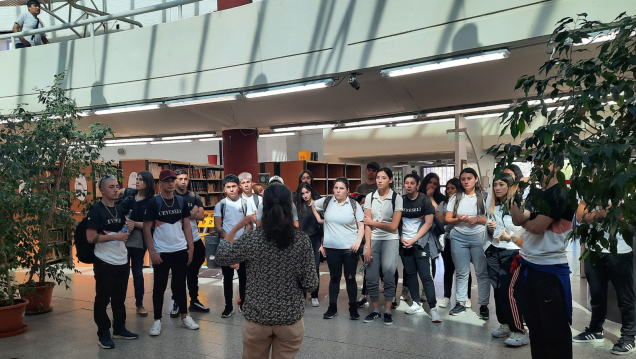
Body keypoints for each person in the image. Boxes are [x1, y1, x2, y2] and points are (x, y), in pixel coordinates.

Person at [215, 184, 319, 359]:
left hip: (257, 318)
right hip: (290, 318)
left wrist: (236, 227)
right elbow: (311, 283)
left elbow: (222, 257)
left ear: (263, 207)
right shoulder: (301, 240)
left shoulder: (253, 238)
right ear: (290, 207)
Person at [510, 160, 576, 358]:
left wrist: (529, 221)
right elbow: (516, 218)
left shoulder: (561, 194)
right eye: (536, 164)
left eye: (543, 164)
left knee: (555, 330)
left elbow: (536, 227)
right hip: (530, 265)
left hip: (550, 270)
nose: (538, 168)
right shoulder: (536, 194)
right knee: (536, 327)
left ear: (555, 166)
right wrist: (515, 191)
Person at [572, 199, 635, 355]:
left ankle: (629, 336)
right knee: (597, 293)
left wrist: (595, 214)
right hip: (593, 250)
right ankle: (596, 330)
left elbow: (624, 214)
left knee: (625, 296)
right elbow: (580, 216)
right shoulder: (590, 188)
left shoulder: (623, 187)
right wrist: (607, 211)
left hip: (619, 250)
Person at [143, 169, 199, 336]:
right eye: (166, 180)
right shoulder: (153, 202)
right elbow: (146, 229)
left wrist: (191, 248)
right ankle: (157, 320)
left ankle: (185, 316)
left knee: (180, 285)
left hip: (180, 250)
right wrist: (152, 252)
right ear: (160, 183)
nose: (170, 183)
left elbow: (187, 225)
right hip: (161, 252)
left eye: (172, 180)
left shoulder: (181, 201)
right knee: (159, 287)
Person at [86, 175, 137, 349]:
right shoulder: (96, 210)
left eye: (117, 186)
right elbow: (91, 237)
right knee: (102, 299)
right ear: (101, 190)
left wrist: (129, 227)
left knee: (119, 298)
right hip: (104, 261)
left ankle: (119, 328)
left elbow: (124, 231)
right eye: (111, 187)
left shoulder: (120, 209)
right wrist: (116, 236)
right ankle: (103, 333)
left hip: (122, 260)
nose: (116, 190)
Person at [484, 173, 528, 347]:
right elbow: (492, 233)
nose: (497, 188)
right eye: (495, 185)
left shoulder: (518, 205)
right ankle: (506, 324)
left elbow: (525, 230)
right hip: (495, 251)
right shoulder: (495, 206)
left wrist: (508, 236)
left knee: (507, 290)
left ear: (510, 186)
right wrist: (490, 228)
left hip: (513, 252)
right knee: (497, 289)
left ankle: (519, 330)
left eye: (501, 184)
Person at [314, 178, 364, 320]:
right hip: (332, 248)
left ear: (347, 190)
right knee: (334, 278)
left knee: (350, 278)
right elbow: (313, 204)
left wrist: (358, 241)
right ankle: (332, 307)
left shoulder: (353, 204)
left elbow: (361, 225)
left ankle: (353, 308)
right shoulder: (327, 202)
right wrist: (319, 219)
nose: (338, 190)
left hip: (350, 248)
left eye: (341, 188)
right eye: (336, 187)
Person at [445, 168, 491, 319]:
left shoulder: (485, 197)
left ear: (476, 179)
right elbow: (448, 219)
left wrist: (477, 219)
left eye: (469, 178)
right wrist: (459, 219)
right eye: (463, 179)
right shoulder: (455, 197)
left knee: (481, 272)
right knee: (462, 272)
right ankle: (461, 303)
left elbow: (490, 219)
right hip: (458, 237)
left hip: (479, 236)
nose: (466, 181)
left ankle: (484, 305)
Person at [362, 167, 404, 326]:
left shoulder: (397, 198)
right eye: (378, 177)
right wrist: (367, 246)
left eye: (383, 177)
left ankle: (387, 311)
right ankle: (375, 310)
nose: (379, 180)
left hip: (391, 240)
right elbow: (366, 225)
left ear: (391, 180)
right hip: (373, 239)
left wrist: (373, 223)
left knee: (388, 274)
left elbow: (394, 226)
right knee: (371, 277)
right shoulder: (370, 197)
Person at [400, 173, 441, 322]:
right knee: (410, 273)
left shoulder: (424, 200)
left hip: (421, 242)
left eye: (412, 183)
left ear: (417, 185)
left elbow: (428, 223)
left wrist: (414, 240)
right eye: (406, 183)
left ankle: (433, 308)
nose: (409, 185)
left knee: (425, 276)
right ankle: (416, 303)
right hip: (404, 243)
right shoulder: (401, 201)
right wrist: (402, 238)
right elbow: (397, 222)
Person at [214, 174, 254, 317]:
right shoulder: (220, 205)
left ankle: (243, 304)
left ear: (238, 187)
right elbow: (217, 226)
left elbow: (250, 224)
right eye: (228, 187)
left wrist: (240, 241)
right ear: (225, 189)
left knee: (244, 277)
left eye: (233, 186)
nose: (231, 189)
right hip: (227, 247)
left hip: (242, 246)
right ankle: (228, 306)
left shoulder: (245, 204)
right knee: (227, 277)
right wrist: (230, 240)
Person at [172, 169, 209, 315]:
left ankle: (194, 300)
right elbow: (174, 217)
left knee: (193, 272)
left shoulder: (194, 196)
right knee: (177, 274)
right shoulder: (171, 196)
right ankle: (176, 302)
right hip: (177, 241)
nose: (183, 181)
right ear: (175, 180)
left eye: (185, 179)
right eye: (180, 179)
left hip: (194, 238)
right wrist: (191, 212)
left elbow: (201, 216)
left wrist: (185, 213)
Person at [119, 171, 154, 317]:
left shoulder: (151, 201)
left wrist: (135, 224)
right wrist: (126, 220)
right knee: (122, 273)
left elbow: (151, 224)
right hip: (124, 238)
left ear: (147, 183)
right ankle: (119, 303)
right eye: (137, 179)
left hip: (139, 241)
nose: (137, 182)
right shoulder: (129, 195)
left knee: (138, 273)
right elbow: (118, 211)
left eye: (140, 180)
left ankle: (139, 304)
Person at [436, 178, 472, 309]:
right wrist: (454, 219)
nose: (449, 190)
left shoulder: (465, 202)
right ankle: (446, 297)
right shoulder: (444, 203)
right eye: (448, 188)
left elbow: (463, 220)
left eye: (453, 188)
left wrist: (451, 219)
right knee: (448, 269)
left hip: (463, 238)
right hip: (447, 238)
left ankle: (466, 297)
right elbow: (441, 220)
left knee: (463, 269)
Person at [295, 182, 324, 307]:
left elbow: (323, 226)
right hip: (301, 241)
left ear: (311, 191)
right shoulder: (297, 207)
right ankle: (302, 295)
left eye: (307, 192)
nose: (305, 195)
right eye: (302, 193)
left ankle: (314, 295)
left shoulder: (318, 205)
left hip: (315, 240)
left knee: (315, 268)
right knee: (301, 269)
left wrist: (323, 244)